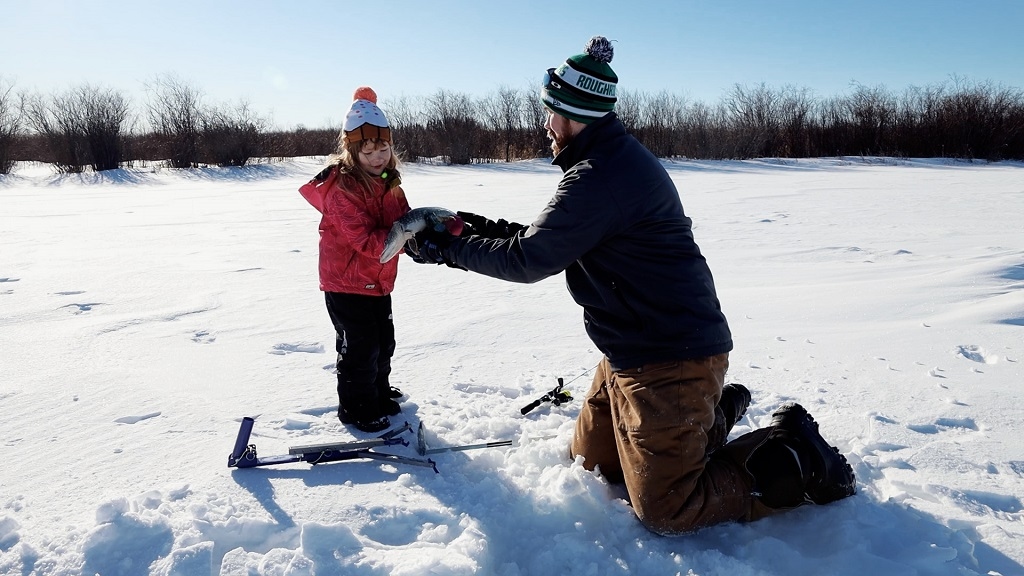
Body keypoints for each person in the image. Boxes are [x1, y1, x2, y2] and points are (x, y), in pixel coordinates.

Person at [405, 37, 856, 533]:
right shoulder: (605, 163)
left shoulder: (602, 176)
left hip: (671, 357)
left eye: (551, 113)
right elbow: (546, 240)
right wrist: (469, 228)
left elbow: (530, 260)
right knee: (594, 467)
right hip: (630, 353)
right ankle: (710, 418)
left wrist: (445, 250)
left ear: (575, 115)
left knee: (667, 508)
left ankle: (798, 453)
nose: (546, 125)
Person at [299, 87, 409, 433]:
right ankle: (357, 408)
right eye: (369, 151)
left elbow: (403, 217)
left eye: (384, 148)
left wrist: (426, 232)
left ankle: (376, 393)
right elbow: (364, 240)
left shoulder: (389, 182)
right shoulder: (341, 189)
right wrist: (405, 238)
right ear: (352, 150)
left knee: (382, 342)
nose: (378, 157)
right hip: (346, 283)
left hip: (377, 280)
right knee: (359, 347)